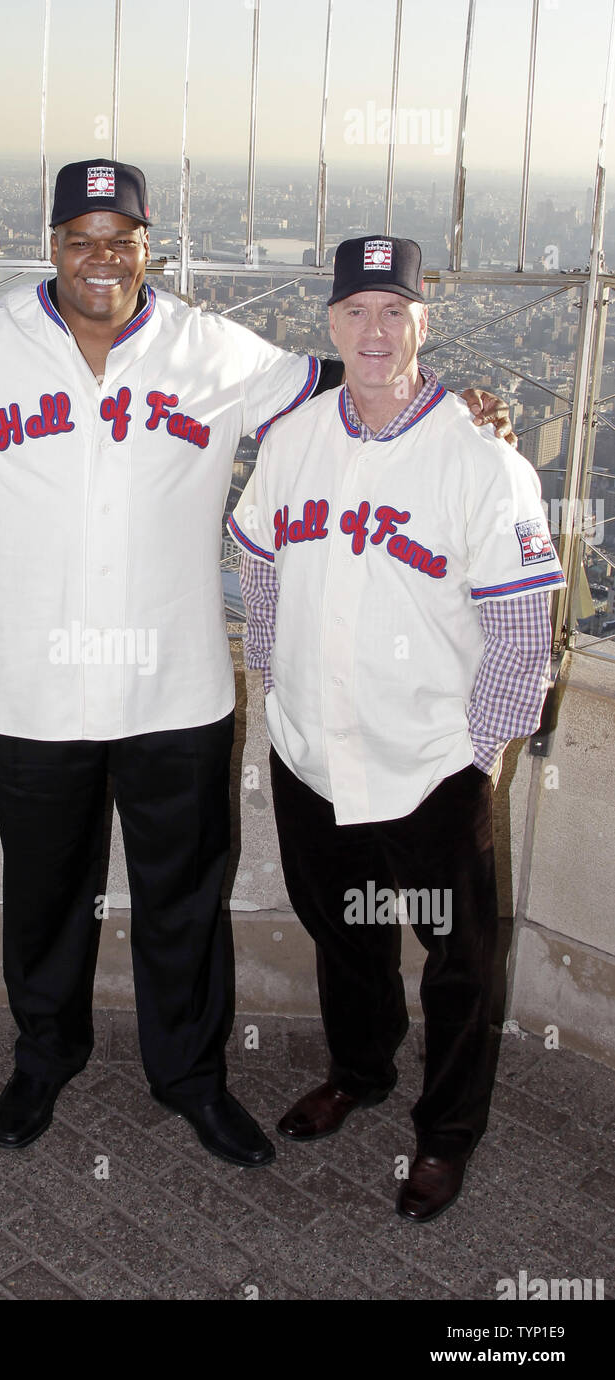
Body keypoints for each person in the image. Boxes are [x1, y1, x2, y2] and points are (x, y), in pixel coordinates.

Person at [0, 162, 514, 1171]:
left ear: (146, 248)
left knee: (181, 902)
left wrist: (462, 404)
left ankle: (190, 1077)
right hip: (33, 691)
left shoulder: (209, 347)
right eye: (81, 236)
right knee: (46, 899)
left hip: (178, 690)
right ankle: (44, 1058)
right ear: (53, 245)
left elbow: (345, 378)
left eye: (121, 237)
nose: (101, 257)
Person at [229, 235, 565, 1220]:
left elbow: (519, 632)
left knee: (457, 962)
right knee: (344, 934)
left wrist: (479, 759)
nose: (372, 331)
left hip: (430, 768)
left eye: (393, 310)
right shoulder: (292, 441)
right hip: (311, 752)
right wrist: (272, 678)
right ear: (328, 323)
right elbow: (256, 557)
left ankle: (443, 1135)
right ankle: (360, 1070)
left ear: (424, 320)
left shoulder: (481, 460)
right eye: (354, 312)